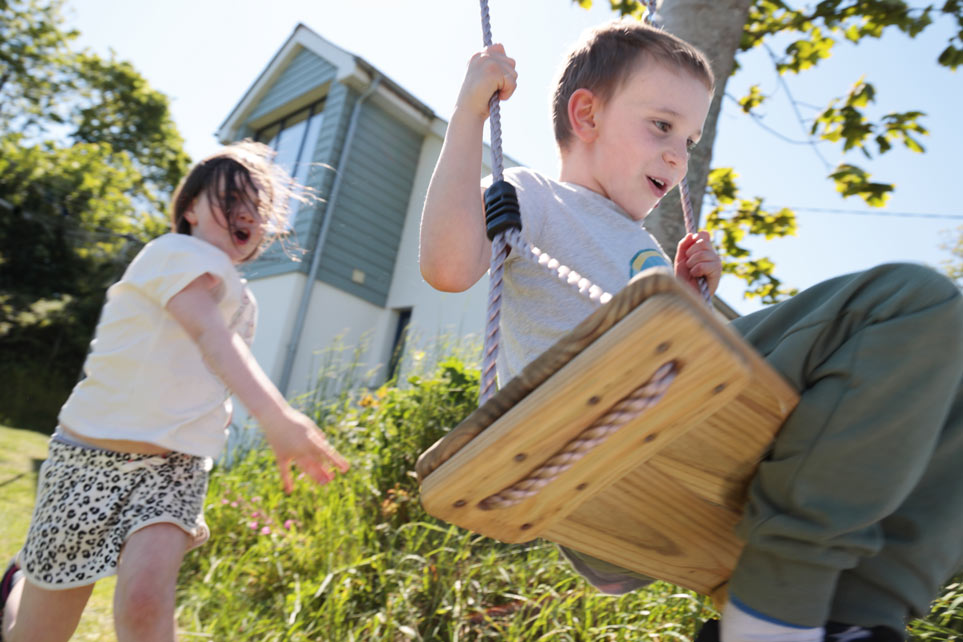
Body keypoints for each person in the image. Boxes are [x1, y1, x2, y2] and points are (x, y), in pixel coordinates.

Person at [419, 19, 963, 642]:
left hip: (671, 454)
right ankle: (775, 613)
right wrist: (469, 111)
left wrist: (689, 298)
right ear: (586, 114)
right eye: (661, 126)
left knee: (952, 374)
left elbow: (689, 370)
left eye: (690, 137)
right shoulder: (536, 195)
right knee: (908, 304)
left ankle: (858, 616)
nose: (679, 155)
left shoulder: (646, 246)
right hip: (583, 446)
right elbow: (448, 266)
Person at [0, 141, 350, 642]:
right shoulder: (171, 253)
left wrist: (220, 413)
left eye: (256, 203)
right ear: (189, 209)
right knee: (34, 634)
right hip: (86, 460)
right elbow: (210, 334)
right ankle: (16, 587)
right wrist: (277, 417)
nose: (244, 208)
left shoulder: (244, 299)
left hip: (171, 470)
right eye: (228, 196)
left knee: (145, 604)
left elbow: (216, 368)